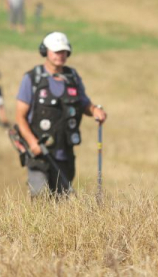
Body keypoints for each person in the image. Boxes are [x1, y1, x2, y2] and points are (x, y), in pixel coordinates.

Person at [14, 32, 107, 197]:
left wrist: (94, 110)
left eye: (63, 51)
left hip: (65, 152)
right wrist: (32, 143)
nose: (60, 55)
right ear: (45, 51)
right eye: (56, 51)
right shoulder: (32, 79)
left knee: (62, 199)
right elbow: (20, 117)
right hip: (40, 153)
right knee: (40, 195)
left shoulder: (73, 78)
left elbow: (83, 103)